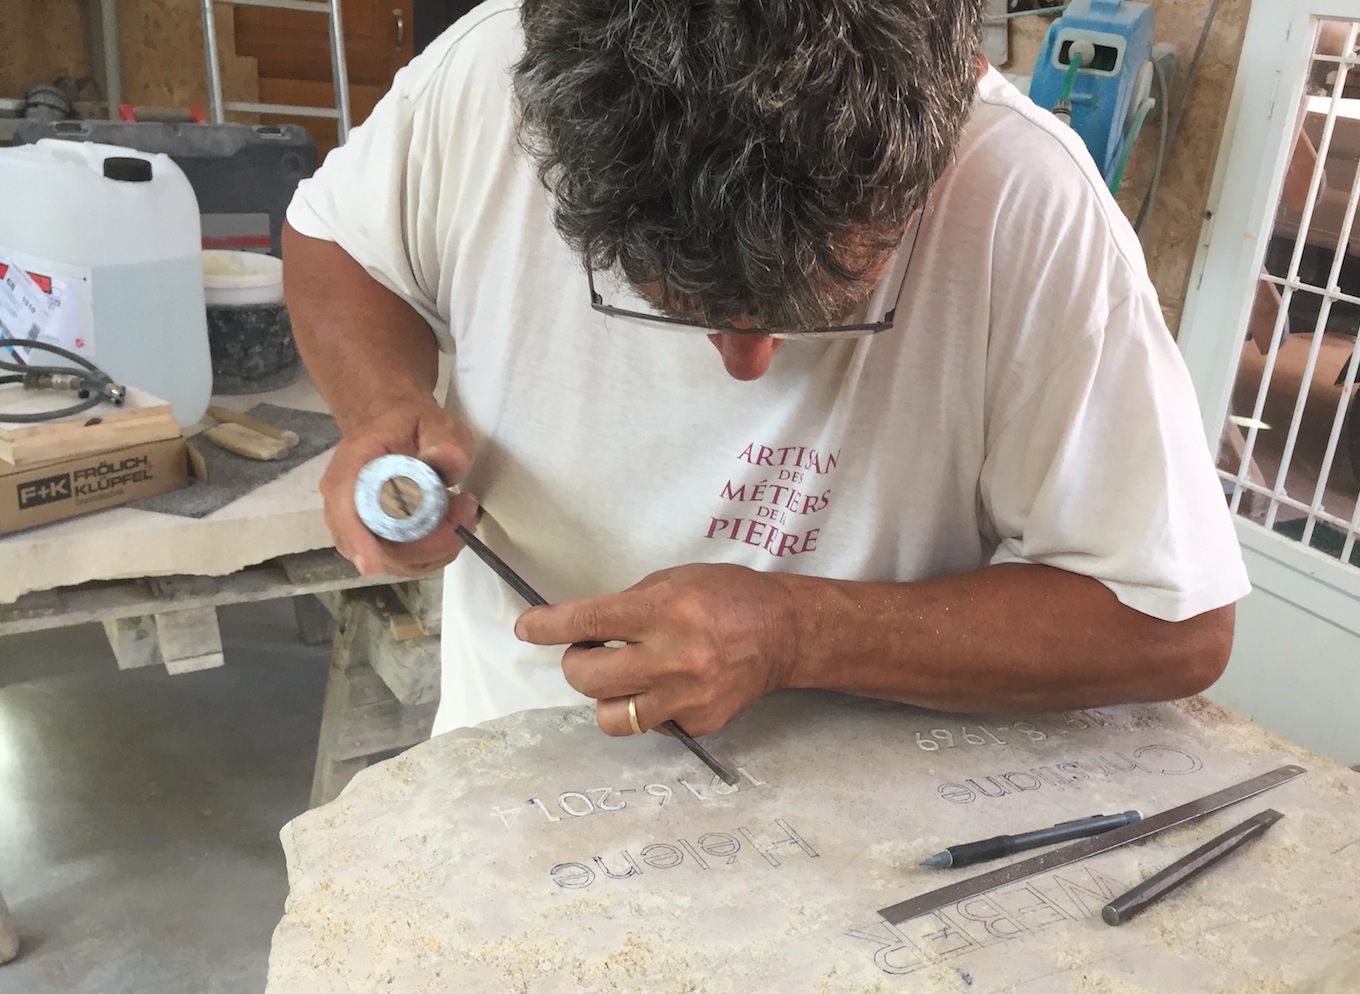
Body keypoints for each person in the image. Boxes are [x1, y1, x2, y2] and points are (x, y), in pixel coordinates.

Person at [284, 0, 1250, 741]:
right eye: (682, 306)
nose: (747, 366)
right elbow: (337, 242)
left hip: (853, 838)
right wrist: (383, 403)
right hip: (510, 765)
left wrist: (800, 632)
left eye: (819, 311)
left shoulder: (1024, 196)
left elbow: (1174, 625)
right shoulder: (491, 76)